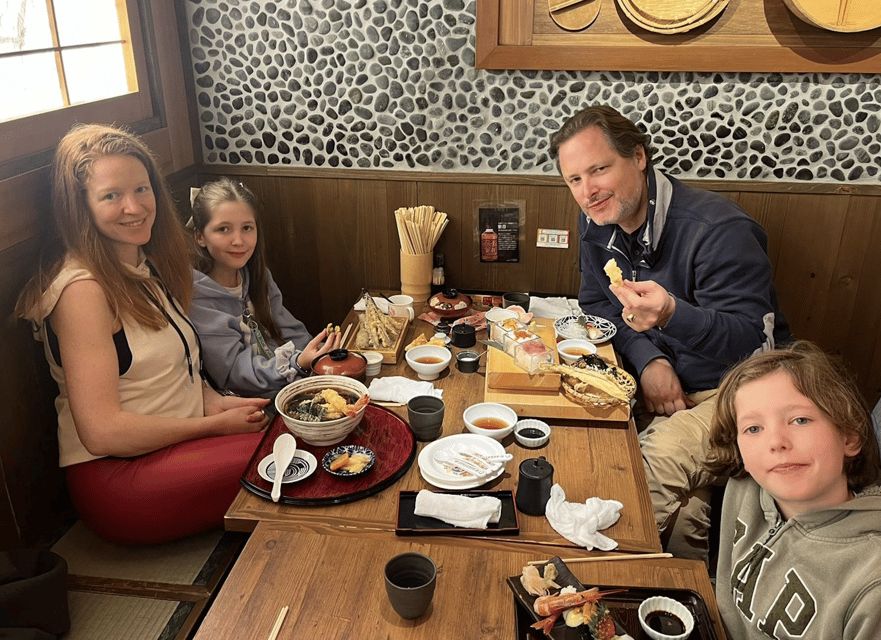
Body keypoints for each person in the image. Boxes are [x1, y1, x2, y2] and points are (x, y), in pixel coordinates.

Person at [549, 105, 791, 559]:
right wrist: (649, 360)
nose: (588, 192)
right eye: (574, 180)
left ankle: (598, 583)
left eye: (599, 170)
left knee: (646, 466)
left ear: (638, 157)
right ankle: (675, 603)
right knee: (681, 512)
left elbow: (752, 343)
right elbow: (598, 303)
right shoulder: (597, 221)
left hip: (741, 388)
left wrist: (671, 315)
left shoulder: (719, 229)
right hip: (660, 384)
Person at [16, 124, 271, 544]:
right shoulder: (82, 291)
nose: (134, 207)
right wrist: (215, 427)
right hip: (121, 478)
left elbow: (178, 375)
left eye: (142, 189)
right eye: (111, 196)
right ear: (81, 207)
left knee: (312, 426)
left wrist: (224, 405)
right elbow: (103, 431)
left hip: (177, 451)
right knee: (300, 455)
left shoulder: (144, 265)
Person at [705, 341, 881, 639]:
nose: (776, 441)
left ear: (850, 437)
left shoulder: (870, 582)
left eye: (800, 420)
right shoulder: (745, 485)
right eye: (753, 429)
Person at [188, 178, 340, 398]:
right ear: (200, 236)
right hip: (246, 404)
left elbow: (289, 330)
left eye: (247, 228)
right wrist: (296, 362)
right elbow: (233, 372)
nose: (239, 240)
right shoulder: (198, 298)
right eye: (223, 229)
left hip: (288, 386)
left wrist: (320, 354)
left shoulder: (257, 276)